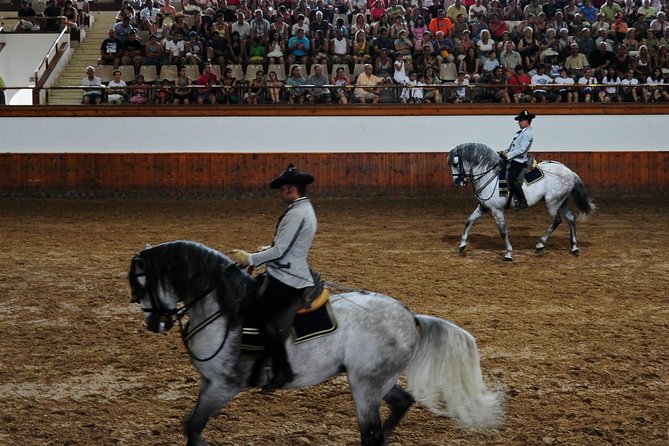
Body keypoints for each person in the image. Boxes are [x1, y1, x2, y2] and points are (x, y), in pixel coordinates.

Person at [230, 165, 318, 390]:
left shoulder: (297, 213)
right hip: (286, 270)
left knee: (260, 317)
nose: (279, 193)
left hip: (288, 277)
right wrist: (265, 250)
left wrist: (250, 258)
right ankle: (261, 367)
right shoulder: (303, 208)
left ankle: (283, 371)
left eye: (281, 189)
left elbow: (280, 251)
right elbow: (283, 245)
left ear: (291, 189)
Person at [500, 110, 535, 210]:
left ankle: (523, 202)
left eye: (520, 120)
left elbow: (522, 149)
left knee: (512, 179)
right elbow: (514, 148)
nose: (519, 122)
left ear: (527, 121)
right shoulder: (520, 133)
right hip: (513, 158)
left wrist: (508, 155)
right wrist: (505, 151)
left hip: (519, 161)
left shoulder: (527, 133)